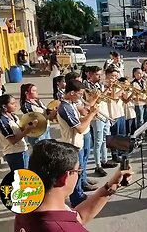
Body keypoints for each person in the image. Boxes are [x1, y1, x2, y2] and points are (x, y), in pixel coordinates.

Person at [14, 139, 133, 232]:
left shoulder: (26, 205)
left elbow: (78, 217)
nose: (79, 175)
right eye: (78, 171)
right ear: (65, 178)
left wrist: (112, 185)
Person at [57, 79, 99, 207]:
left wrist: (89, 115)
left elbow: (79, 120)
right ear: (71, 93)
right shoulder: (65, 107)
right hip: (72, 145)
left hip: (77, 144)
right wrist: (91, 115)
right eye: (79, 94)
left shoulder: (71, 104)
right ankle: (76, 199)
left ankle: (79, 193)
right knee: (75, 174)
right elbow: (80, 128)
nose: (81, 96)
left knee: (79, 172)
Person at [84, 66, 118, 177]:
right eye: (97, 74)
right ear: (90, 75)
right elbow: (93, 101)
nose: (100, 76)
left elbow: (109, 97)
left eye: (100, 74)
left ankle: (104, 160)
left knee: (105, 139)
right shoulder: (87, 86)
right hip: (96, 116)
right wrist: (105, 90)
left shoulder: (100, 84)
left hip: (105, 114)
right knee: (98, 141)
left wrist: (111, 87)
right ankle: (97, 165)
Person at [0, 94, 34, 171]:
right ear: (4, 107)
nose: (15, 105)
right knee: (21, 178)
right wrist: (26, 130)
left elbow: (19, 129)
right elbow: (13, 140)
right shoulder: (3, 122)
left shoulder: (13, 116)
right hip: (14, 154)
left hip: (23, 150)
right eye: (12, 104)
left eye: (15, 103)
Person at [131, 67, 147, 137]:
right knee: (140, 120)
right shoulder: (133, 83)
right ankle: (139, 135)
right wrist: (143, 99)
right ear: (134, 74)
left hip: (146, 102)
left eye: (141, 73)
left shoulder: (144, 81)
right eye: (138, 73)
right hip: (139, 104)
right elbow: (133, 96)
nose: (140, 74)